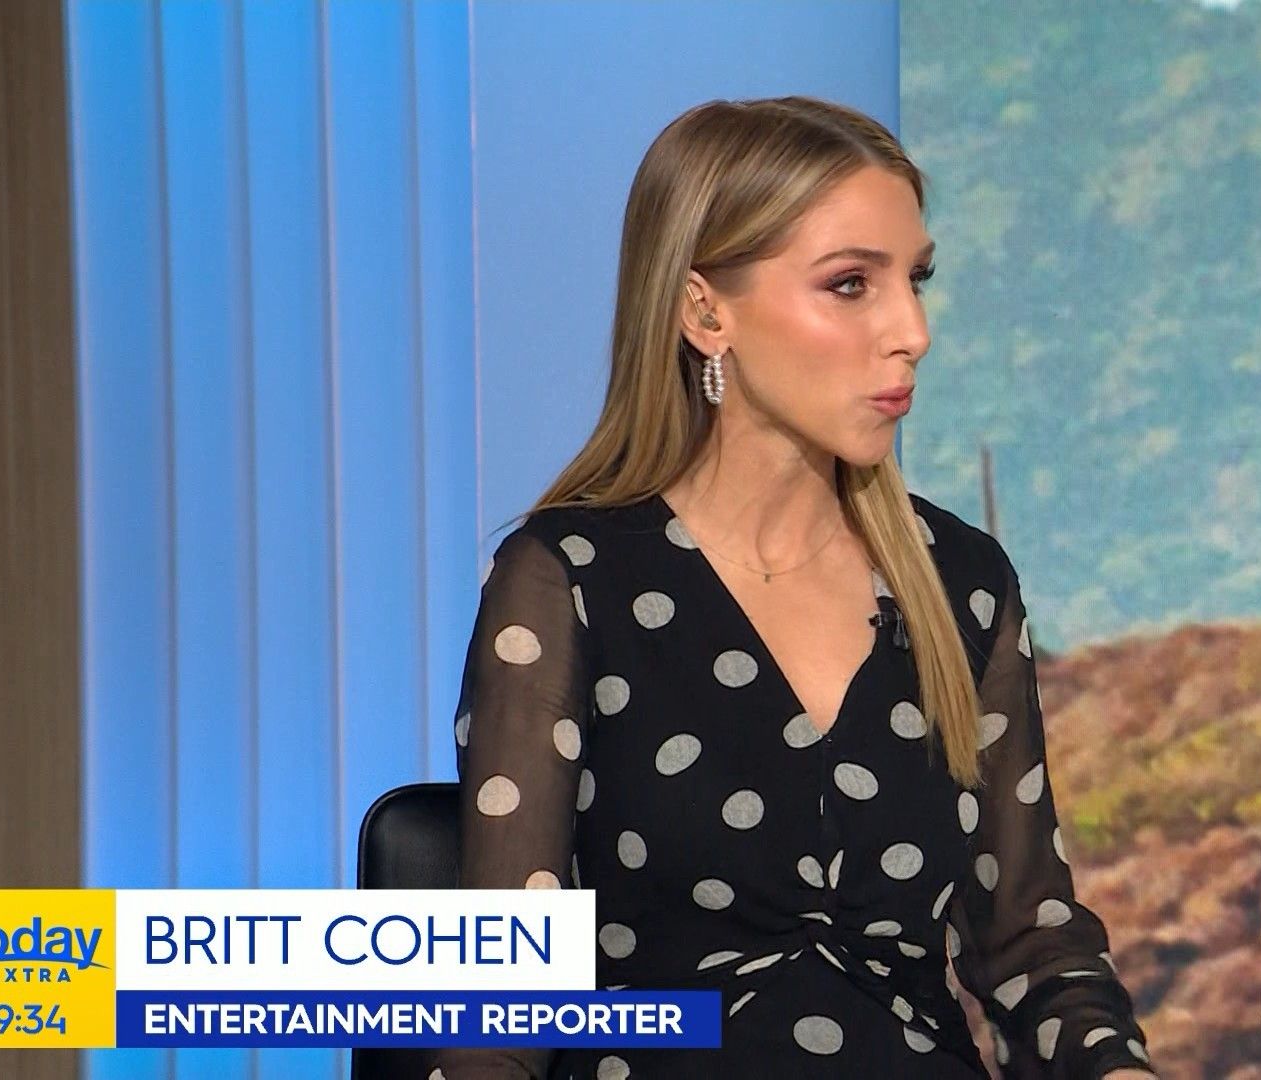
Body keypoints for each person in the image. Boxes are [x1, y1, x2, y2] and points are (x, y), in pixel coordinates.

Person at [429, 95, 1156, 1079]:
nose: (912, 331)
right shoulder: (570, 581)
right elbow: (499, 1008)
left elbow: (1033, 949)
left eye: (916, 280)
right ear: (704, 311)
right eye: (851, 284)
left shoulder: (963, 584)